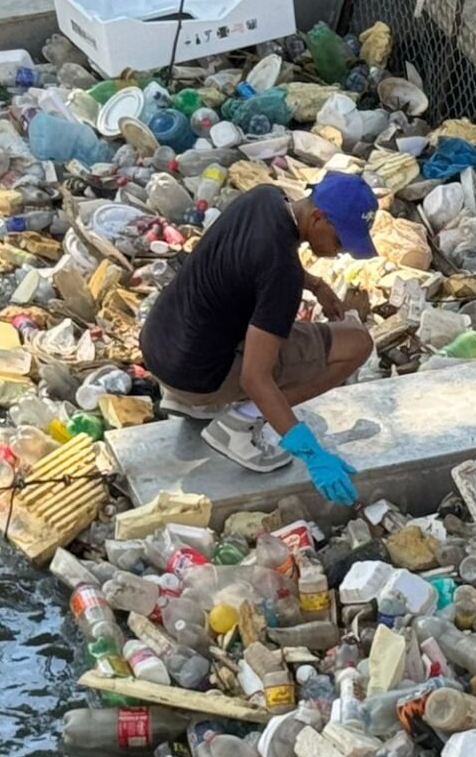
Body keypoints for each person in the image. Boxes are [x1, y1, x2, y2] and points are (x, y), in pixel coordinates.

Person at [138, 171, 378, 506]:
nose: (340, 253)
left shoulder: (265, 198)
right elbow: (255, 378)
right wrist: (312, 454)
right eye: (340, 242)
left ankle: (188, 401)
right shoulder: (282, 275)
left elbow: (249, 258)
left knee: (246, 321)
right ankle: (238, 426)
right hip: (198, 377)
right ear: (319, 218)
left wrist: (317, 285)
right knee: (356, 343)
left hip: (161, 345)